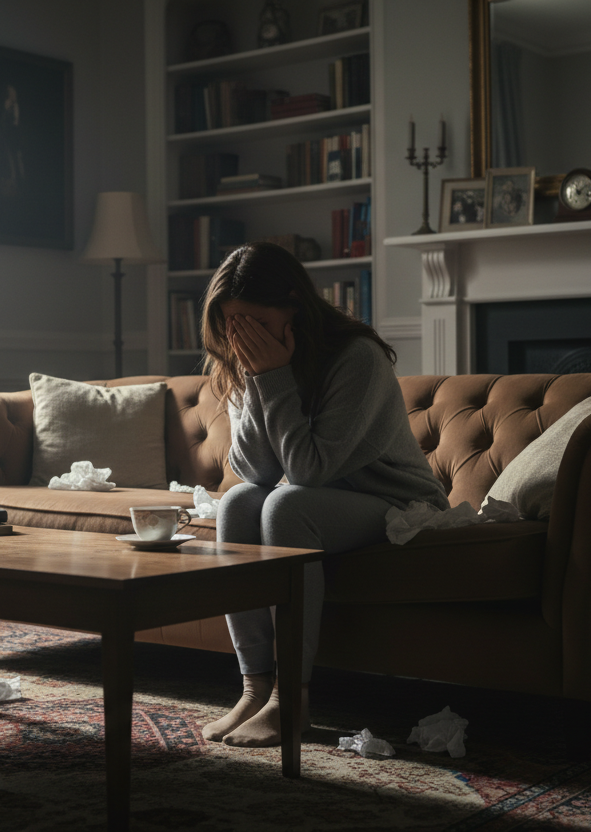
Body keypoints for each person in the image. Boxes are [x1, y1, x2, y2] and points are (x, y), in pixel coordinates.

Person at [197, 242, 450, 748]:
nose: (243, 337)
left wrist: (272, 376)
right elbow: (255, 469)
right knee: (239, 501)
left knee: (286, 506)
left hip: (396, 504)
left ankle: (292, 701)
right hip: (324, 500)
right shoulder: (251, 361)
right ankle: (255, 688)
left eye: (256, 323)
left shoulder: (358, 358)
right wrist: (256, 376)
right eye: (233, 326)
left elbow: (310, 470)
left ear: (295, 305)